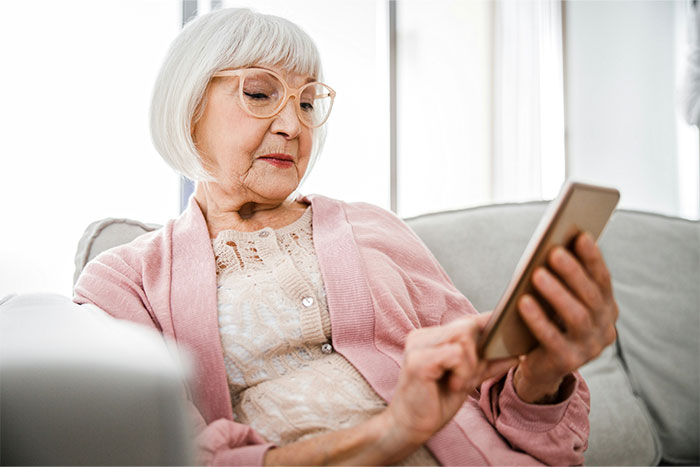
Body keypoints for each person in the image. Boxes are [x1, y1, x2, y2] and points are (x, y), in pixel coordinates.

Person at [74, 8, 618, 466]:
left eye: (307, 103)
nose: (293, 124)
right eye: (261, 93)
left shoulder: (372, 226)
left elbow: (499, 402)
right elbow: (178, 454)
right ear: (189, 107)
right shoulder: (124, 281)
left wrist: (542, 375)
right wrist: (391, 431)